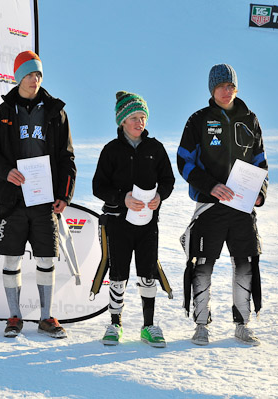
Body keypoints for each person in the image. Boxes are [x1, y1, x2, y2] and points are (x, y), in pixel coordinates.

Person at [0, 50, 76, 338]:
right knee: (12, 258)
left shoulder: (55, 112)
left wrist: (65, 195)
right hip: (12, 199)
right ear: (17, 77)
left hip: (44, 198)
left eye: (38, 74)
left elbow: (67, 157)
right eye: (28, 74)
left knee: (46, 258)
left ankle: (47, 317)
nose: (34, 79)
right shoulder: (3, 113)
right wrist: (6, 171)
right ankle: (14, 316)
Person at [177, 64, 268, 346]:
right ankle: (201, 324)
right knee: (202, 264)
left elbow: (260, 162)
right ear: (212, 89)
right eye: (220, 86)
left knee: (246, 262)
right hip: (210, 206)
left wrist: (260, 193)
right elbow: (183, 161)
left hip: (242, 208)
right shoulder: (198, 120)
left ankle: (243, 323)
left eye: (230, 86)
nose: (226, 91)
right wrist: (210, 186)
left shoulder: (249, 119)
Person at [92, 91, 174, 347]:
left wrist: (160, 196)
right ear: (122, 121)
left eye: (143, 117)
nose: (139, 122)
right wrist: (121, 198)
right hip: (118, 223)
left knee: (147, 272)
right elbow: (98, 186)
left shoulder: (155, 148)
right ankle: (115, 325)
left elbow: (169, 181)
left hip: (148, 223)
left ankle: (148, 326)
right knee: (118, 273)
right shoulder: (111, 150)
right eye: (134, 118)